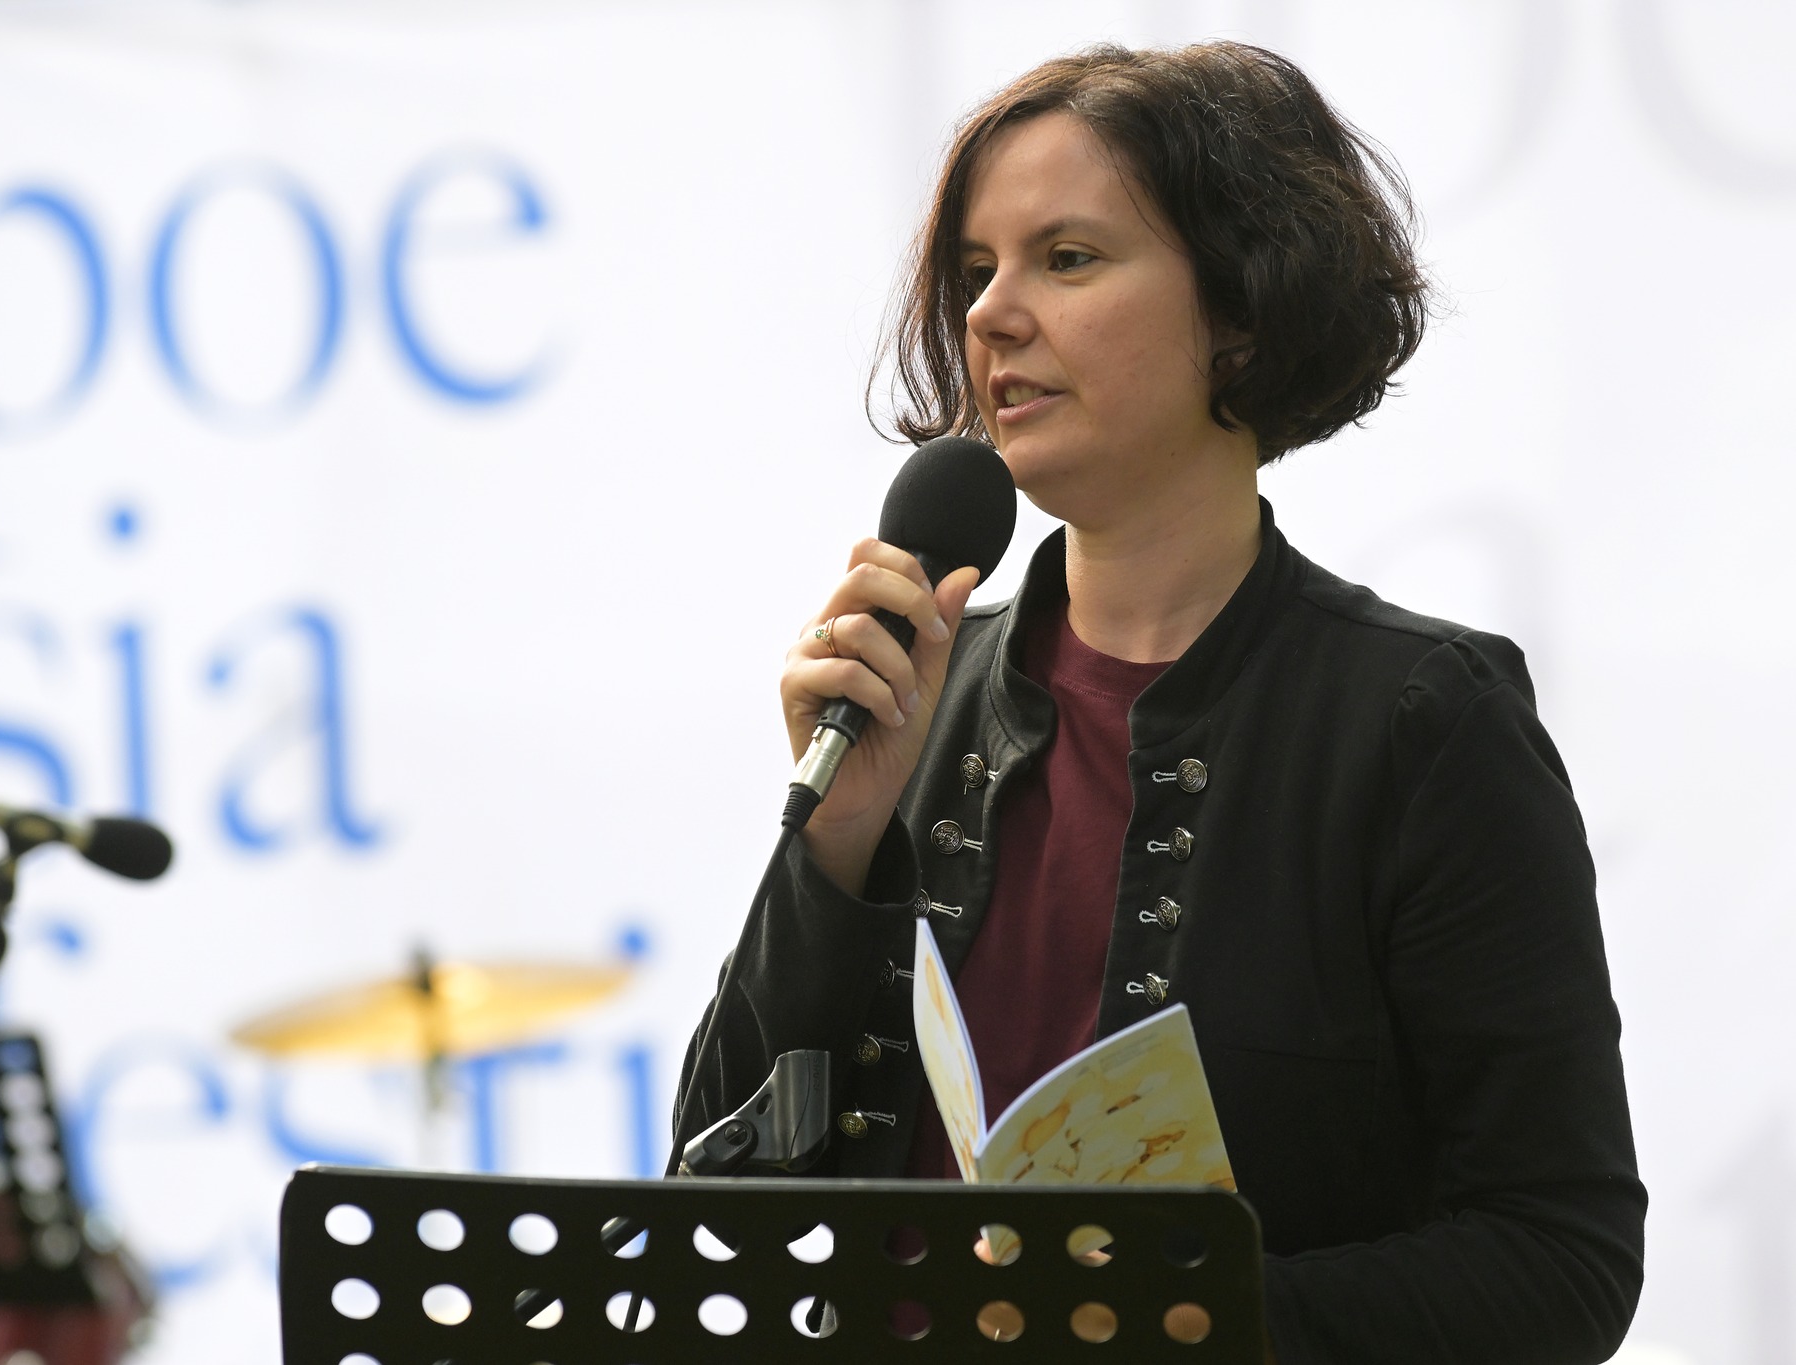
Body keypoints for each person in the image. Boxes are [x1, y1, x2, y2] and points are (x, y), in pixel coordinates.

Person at [673, 40, 1644, 1363]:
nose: (991, 315)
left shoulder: (1421, 721)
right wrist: (834, 848)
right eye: (976, 270)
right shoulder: (914, 695)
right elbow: (714, 1202)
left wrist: (1188, 1319)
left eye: (1066, 258)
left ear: (1241, 309)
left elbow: (1561, 1258)